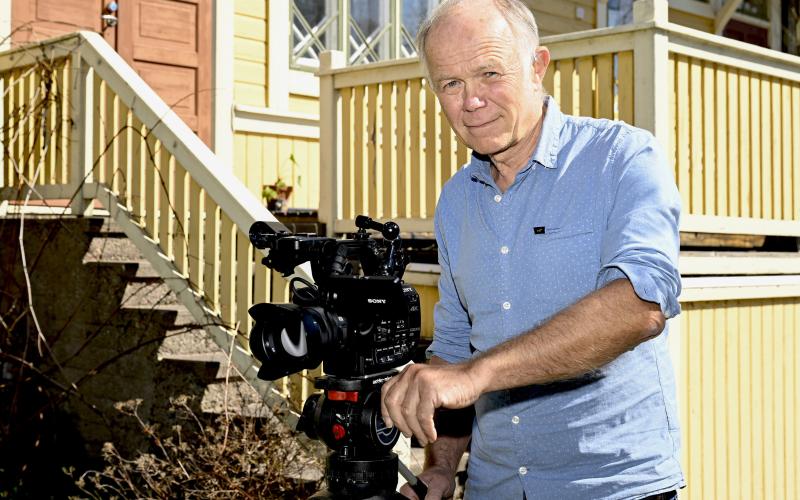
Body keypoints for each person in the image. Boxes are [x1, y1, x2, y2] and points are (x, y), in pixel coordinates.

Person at [379, 0, 684, 498]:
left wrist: (478, 375)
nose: (471, 101)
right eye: (450, 84)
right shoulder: (456, 200)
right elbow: (454, 349)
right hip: (493, 486)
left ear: (538, 66)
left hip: (612, 488)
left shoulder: (623, 157)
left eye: (489, 73)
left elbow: (639, 306)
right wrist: (438, 467)